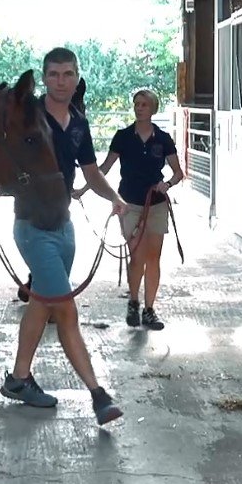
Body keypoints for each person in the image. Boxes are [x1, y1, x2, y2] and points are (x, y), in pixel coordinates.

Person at [0, 47, 127, 426]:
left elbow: (91, 172)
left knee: (41, 304)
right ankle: (99, 395)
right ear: (44, 78)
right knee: (66, 310)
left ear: (77, 78)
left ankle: (18, 378)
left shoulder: (78, 123)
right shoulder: (29, 114)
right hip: (31, 225)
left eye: (68, 74)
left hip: (64, 225)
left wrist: (115, 197)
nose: (61, 81)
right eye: (54, 74)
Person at [75, 89, 184, 330]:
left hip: (156, 204)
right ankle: (134, 302)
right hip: (129, 204)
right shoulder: (123, 137)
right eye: (136, 104)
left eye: (144, 104)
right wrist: (84, 189)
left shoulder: (163, 139)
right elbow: (103, 168)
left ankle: (149, 310)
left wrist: (167, 184)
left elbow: (178, 172)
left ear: (153, 109)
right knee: (137, 256)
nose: (139, 108)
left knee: (153, 257)